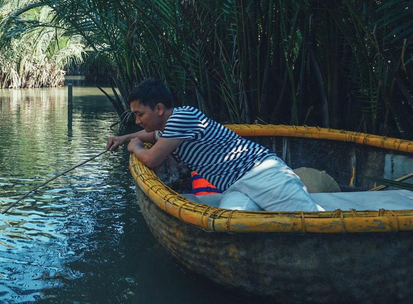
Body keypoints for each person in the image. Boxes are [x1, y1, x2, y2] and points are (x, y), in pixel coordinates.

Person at [106, 78, 322, 212]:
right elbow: (152, 134)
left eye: (139, 114)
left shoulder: (182, 118)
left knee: (313, 220)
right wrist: (124, 138)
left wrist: (135, 148)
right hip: (235, 186)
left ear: (159, 109)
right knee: (233, 224)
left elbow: (152, 158)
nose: (137, 121)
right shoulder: (169, 126)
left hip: (261, 174)